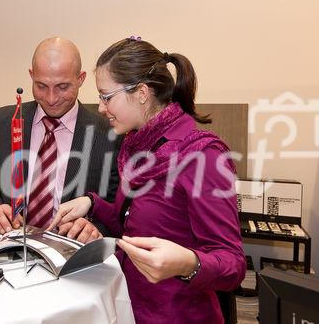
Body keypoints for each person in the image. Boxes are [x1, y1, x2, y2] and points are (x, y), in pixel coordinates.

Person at [48, 37, 246, 323]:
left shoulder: (202, 155)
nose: (101, 108)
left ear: (141, 92)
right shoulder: (136, 146)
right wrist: (91, 203)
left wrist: (188, 263)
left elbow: (233, 265)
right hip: (128, 306)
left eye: (106, 96)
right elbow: (134, 229)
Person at [0, 37, 121, 243]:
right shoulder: (4, 120)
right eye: (41, 86)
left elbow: (117, 205)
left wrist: (95, 227)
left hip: (73, 254)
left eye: (62, 87)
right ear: (31, 76)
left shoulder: (110, 131)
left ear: (81, 79)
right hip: (10, 247)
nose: (51, 98)